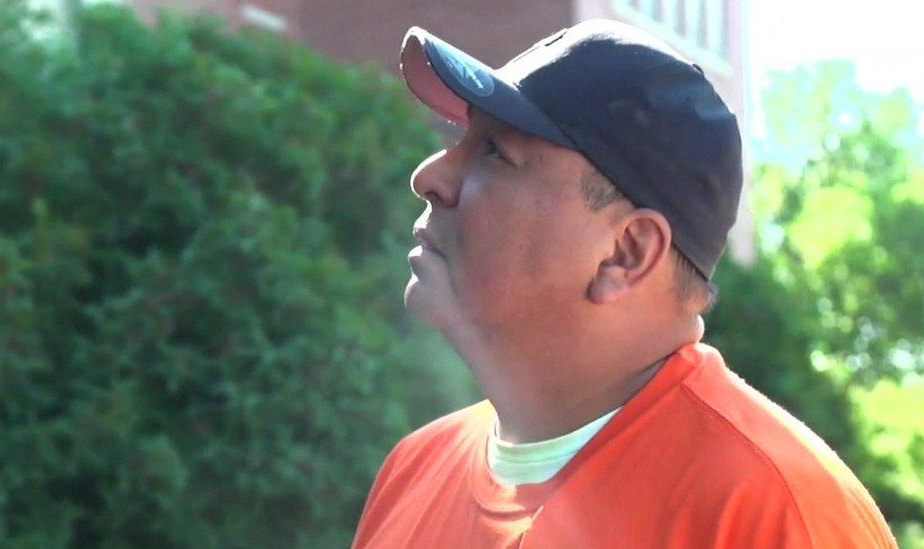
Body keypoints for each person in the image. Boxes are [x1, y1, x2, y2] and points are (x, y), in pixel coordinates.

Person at [352, 19, 897, 548]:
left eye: (496, 153)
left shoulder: (777, 514)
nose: (429, 176)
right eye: (464, 140)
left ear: (625, 253)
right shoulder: (414, 466)